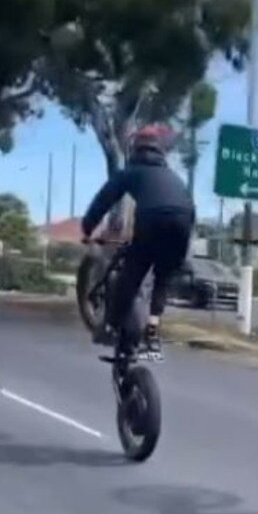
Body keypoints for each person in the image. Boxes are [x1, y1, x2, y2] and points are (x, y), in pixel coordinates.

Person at [82, 124, 195, 359]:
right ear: (161, 152)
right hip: (184, 220)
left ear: (135, 150)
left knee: (131, 276)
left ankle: (111, 327)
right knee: (162, 276)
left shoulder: (131, 172)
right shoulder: (171, 176)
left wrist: (87, 227)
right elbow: (188, 207)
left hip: (153, 219)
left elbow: (104, 199)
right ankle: (152, 332)